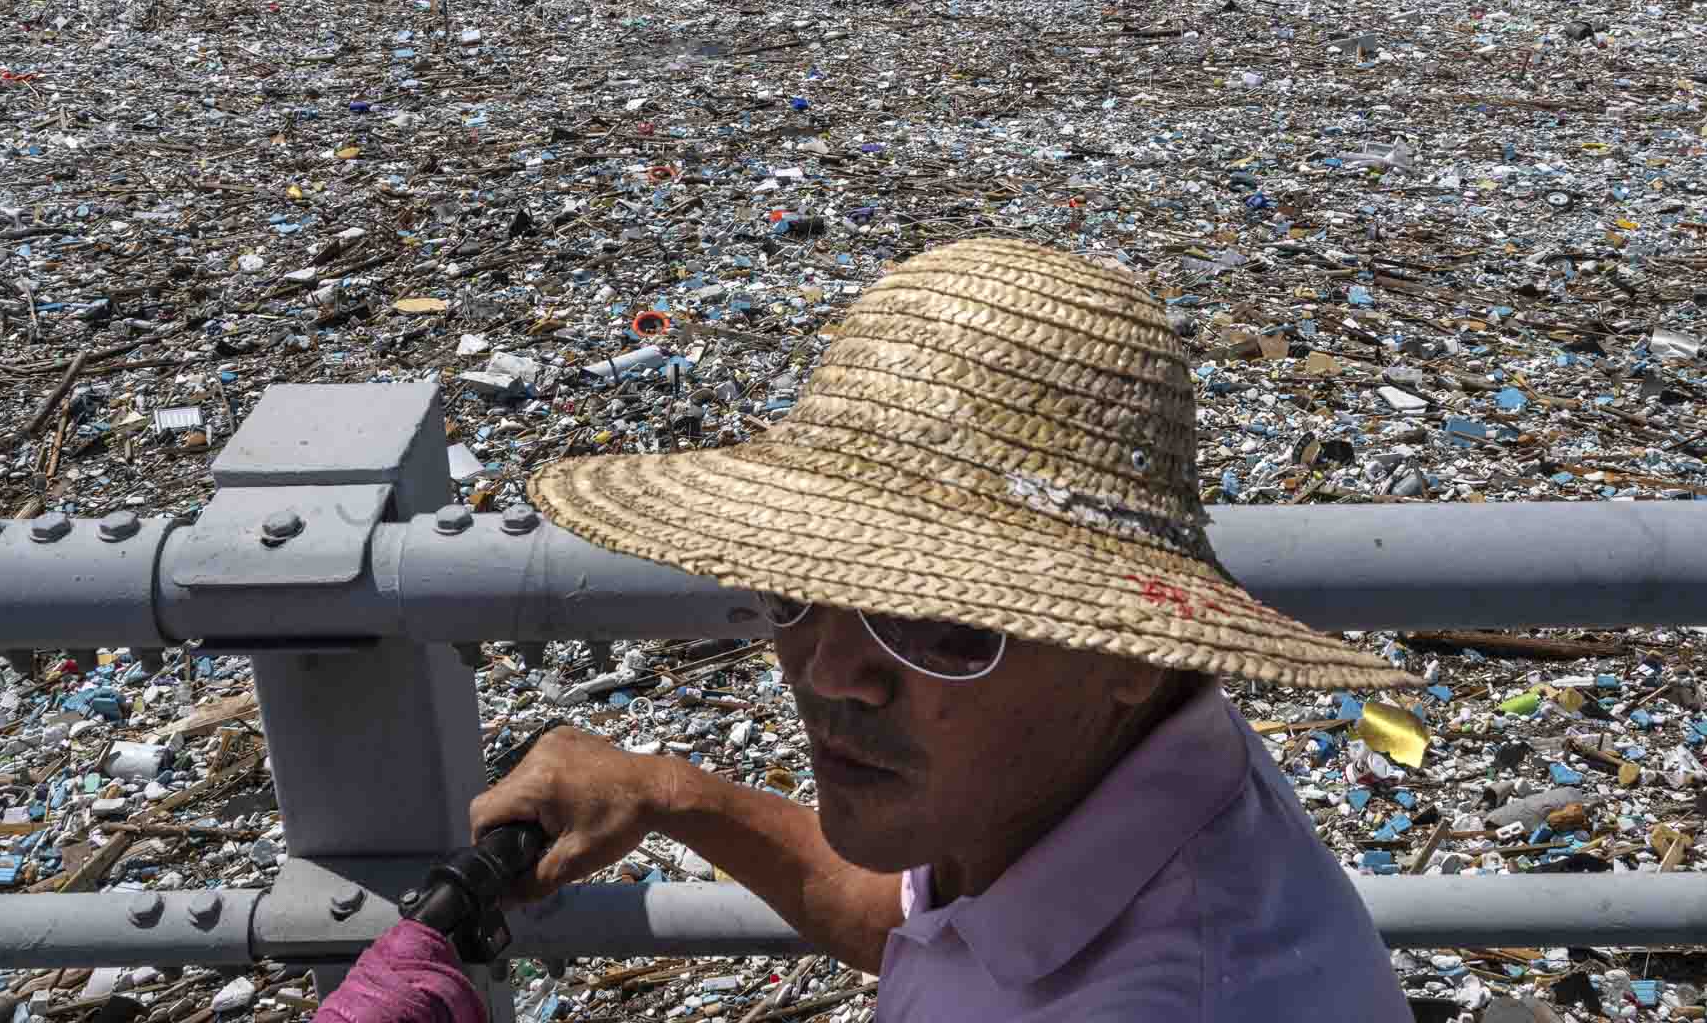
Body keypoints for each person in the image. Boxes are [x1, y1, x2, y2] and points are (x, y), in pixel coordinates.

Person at [318, 238, 1411, 1023]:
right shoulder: (1097, 790)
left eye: (937, 626)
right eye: (796, 589)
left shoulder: (1193, 987)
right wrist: (667, 793)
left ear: (1130, 650)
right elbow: (910, 928)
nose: (828, 668)